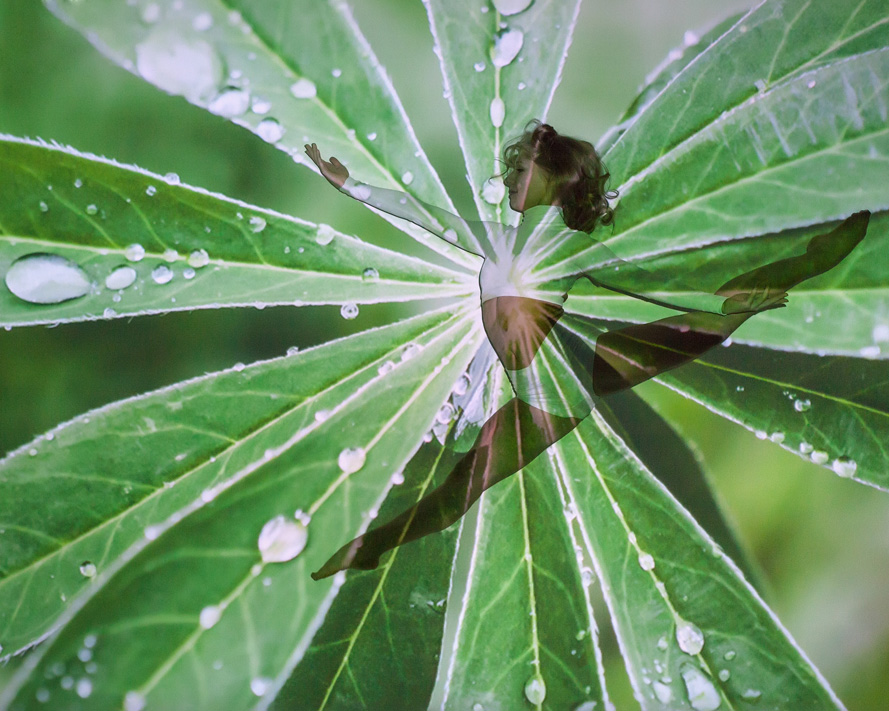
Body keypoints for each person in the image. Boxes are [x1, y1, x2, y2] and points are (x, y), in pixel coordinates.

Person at [304, 120, 869, 580]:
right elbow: (431, 219)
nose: (512, 179)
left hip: (559, 389)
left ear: (556, 178)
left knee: (691, 327)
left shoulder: (569, 249)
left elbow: (645, 283)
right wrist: (349, 185)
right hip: (534, 381)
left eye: (524, 169)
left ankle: (806, 262)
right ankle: (372, 545)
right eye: (513, 169)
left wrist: (723, 304)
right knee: (459, 490)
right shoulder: (500, 238)